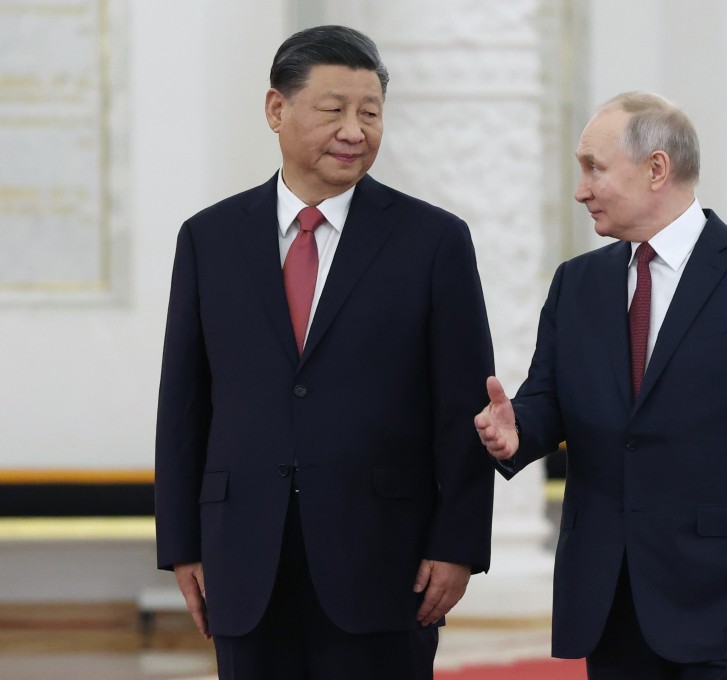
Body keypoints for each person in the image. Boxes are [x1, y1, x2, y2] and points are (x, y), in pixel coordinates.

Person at [155, 25, 495, 679]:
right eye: (333, 109)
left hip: (385, 560)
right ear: (276, 110)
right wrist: (183, 545)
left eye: (370, 113)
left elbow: (464, 407)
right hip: (244, 557)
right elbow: (184, 404)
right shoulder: (210, 239)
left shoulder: (433, 242)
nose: (354, 130)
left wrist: (457, 544)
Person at [475, 92, 727, 679]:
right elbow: (549, 402)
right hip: (610, 601)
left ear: (657, 169)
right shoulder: (577, 283)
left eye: (594, 167)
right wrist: (515, 431)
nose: (580, 189)